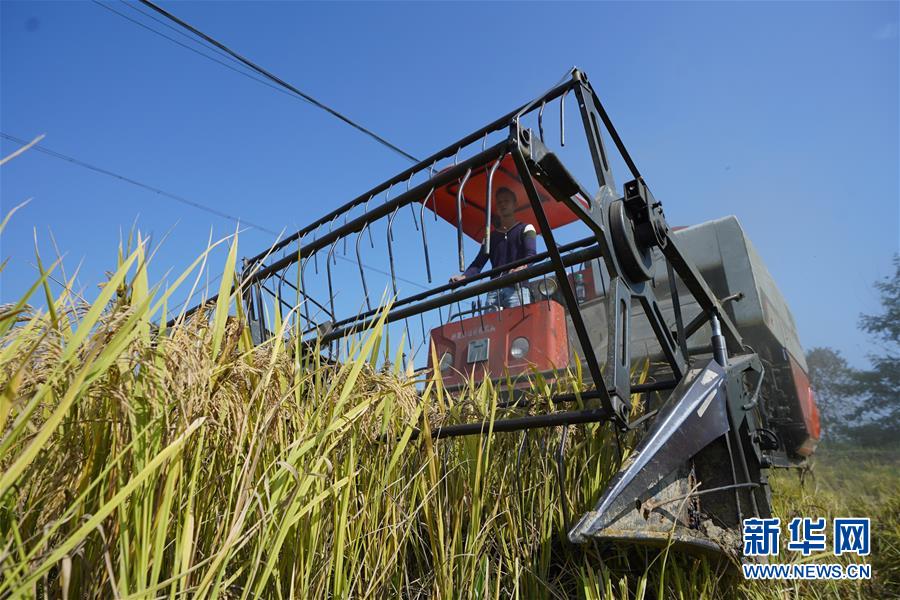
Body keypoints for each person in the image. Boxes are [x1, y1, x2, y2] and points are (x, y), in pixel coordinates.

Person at [449, 186, 537, 308]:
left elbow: (531, 255)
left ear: (515, 205)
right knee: (490, 326)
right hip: (494, 290)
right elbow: (478, 263)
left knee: (518, 324)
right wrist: (463, 277)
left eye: (506, 201)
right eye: (499, 202)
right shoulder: (489, 237)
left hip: (517, 287)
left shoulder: (526, 228)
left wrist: (522, 267)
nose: (503, 205)